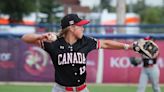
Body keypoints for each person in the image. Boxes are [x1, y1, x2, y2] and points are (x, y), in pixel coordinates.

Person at [22, 14, 136, 92]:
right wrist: (40, 36)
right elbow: (25, 38)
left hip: (82, 89)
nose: (83, 28)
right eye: (80, 26)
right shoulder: (53, 43)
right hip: (61, 89)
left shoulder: (86, 41)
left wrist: (129, 46)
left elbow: (106, 44)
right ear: (71, 28)